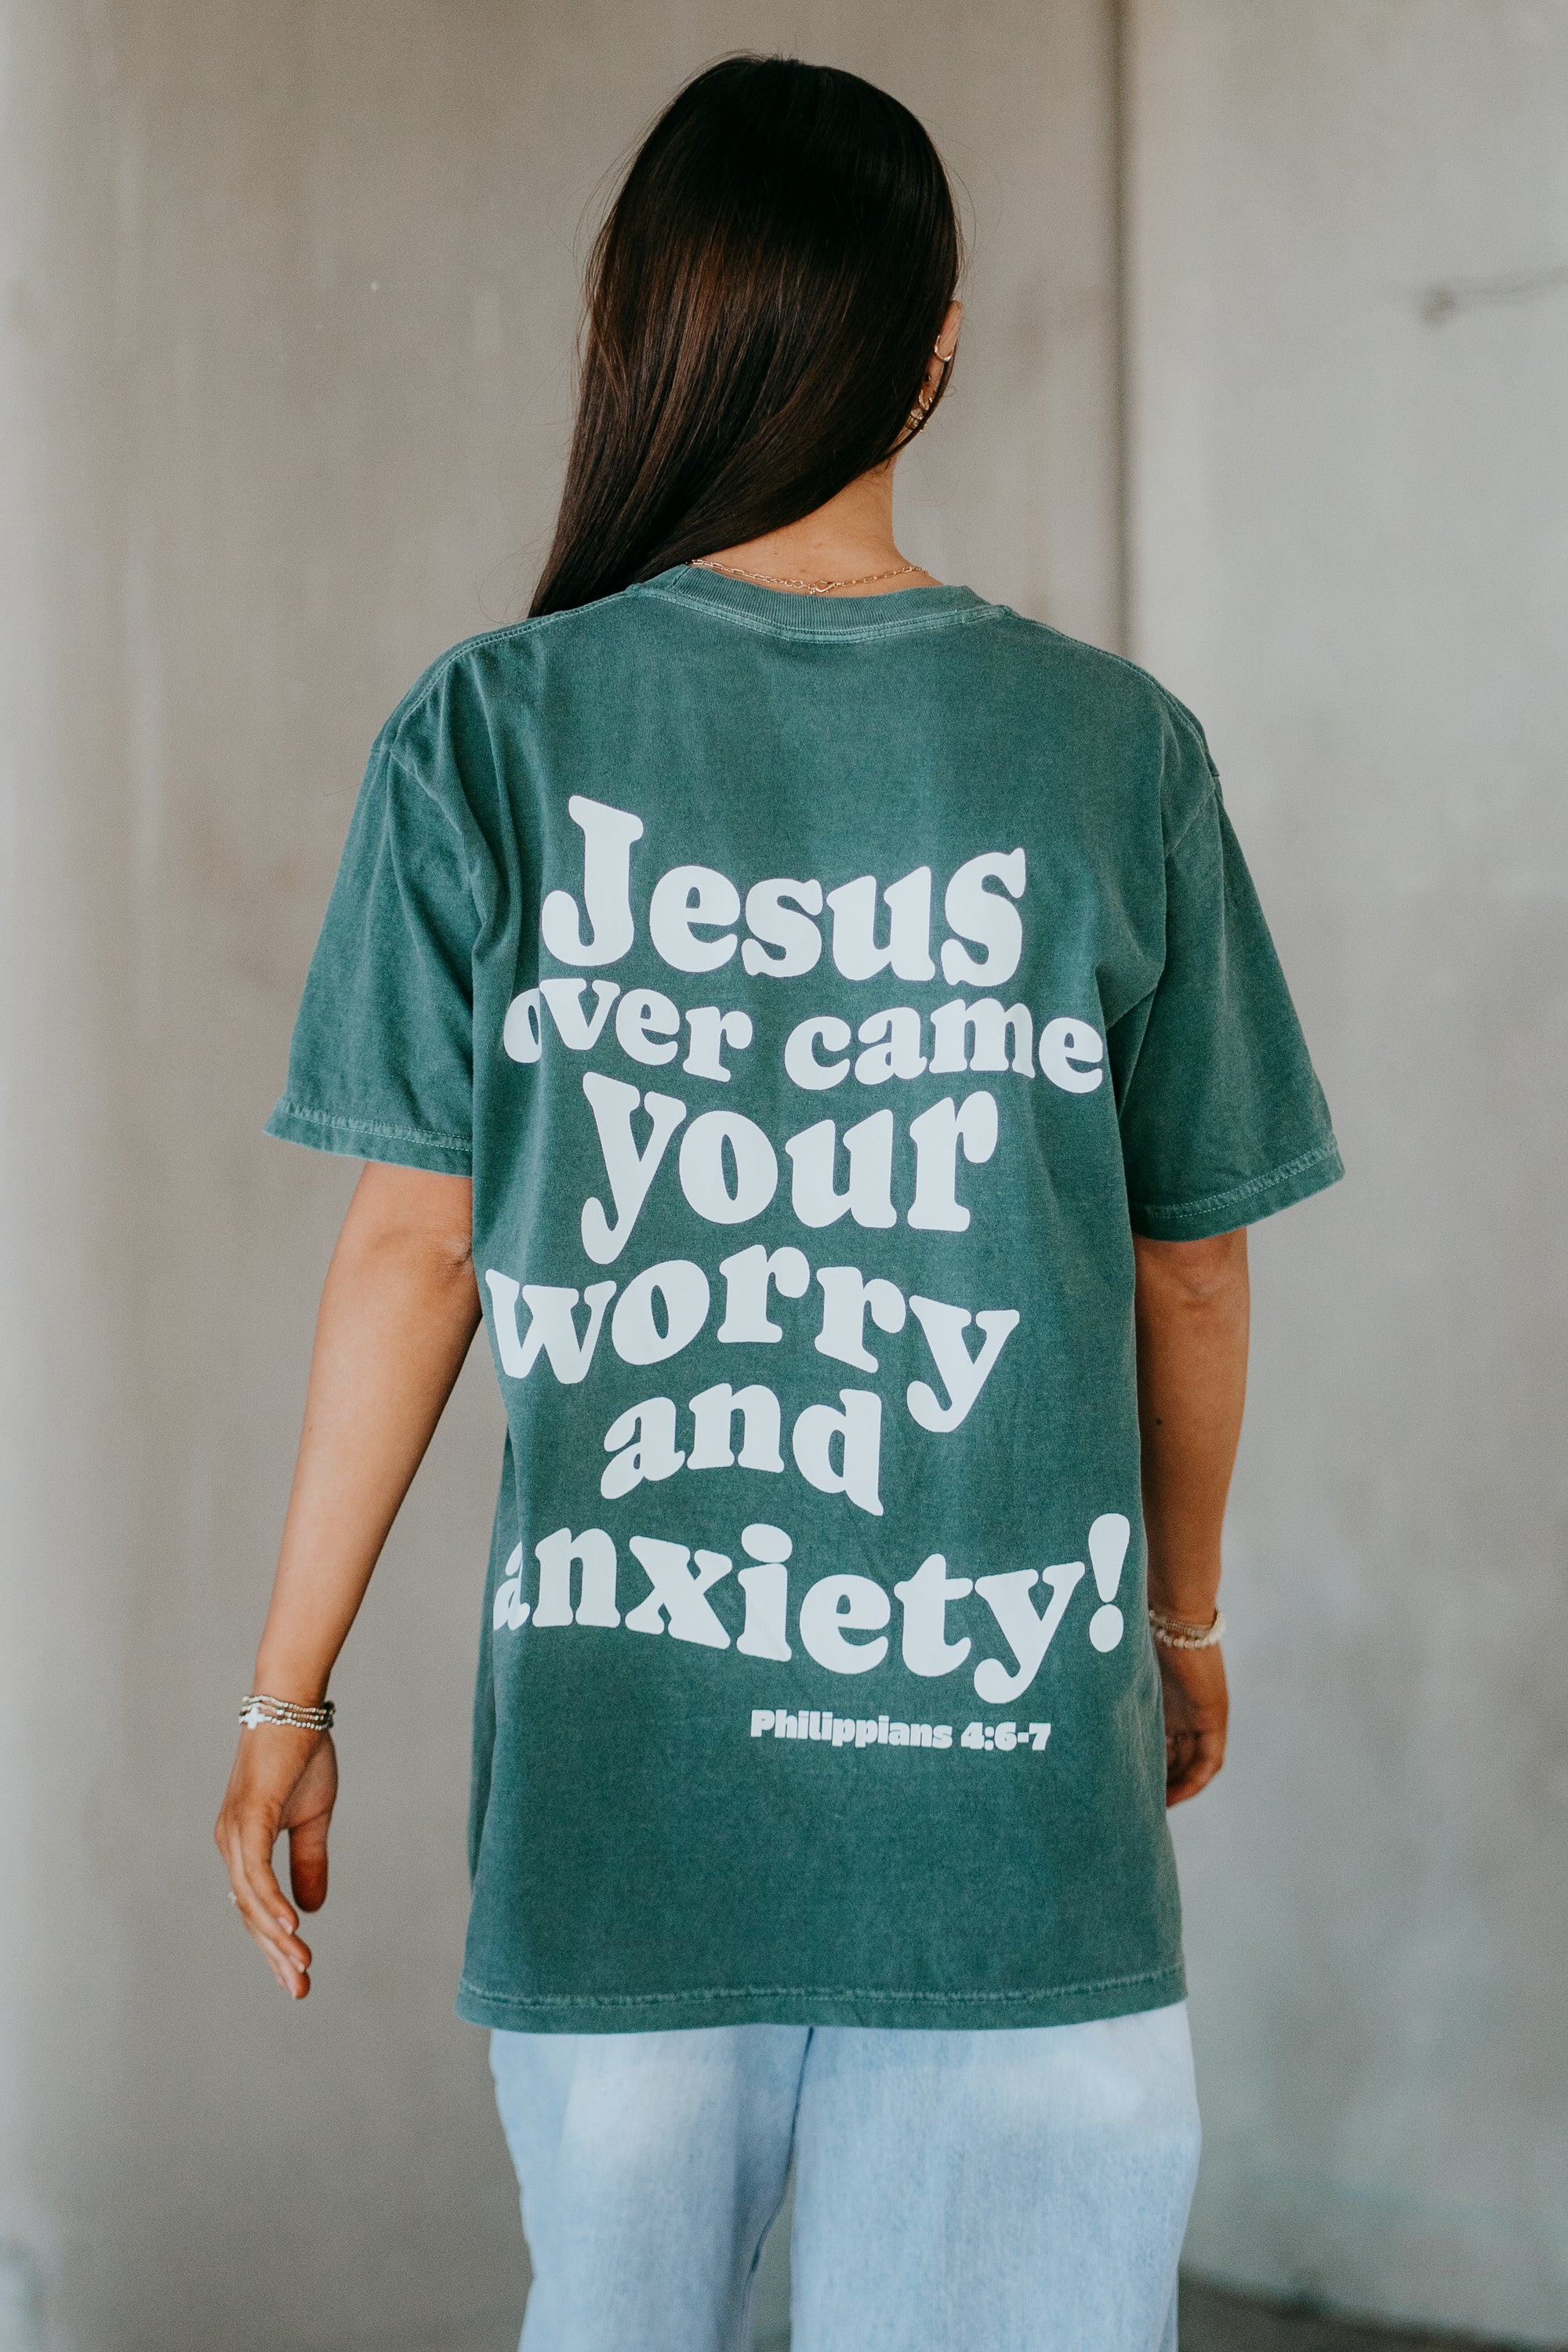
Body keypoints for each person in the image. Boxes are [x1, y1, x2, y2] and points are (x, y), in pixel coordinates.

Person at [216, 53, 1341, 2352]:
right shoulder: (1115, 751)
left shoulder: (487, 737)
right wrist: (1182, 1623)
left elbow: (416, 1252)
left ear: (638, 331)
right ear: (934, 354)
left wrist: (286, 1689)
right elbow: (1196, 1268)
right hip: (1010, 1823)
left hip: (626, 1815)